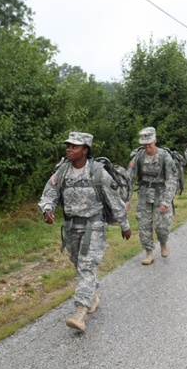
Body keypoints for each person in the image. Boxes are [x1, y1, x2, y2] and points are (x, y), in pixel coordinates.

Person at [39, 131, 131, 332]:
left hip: (94, 226)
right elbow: (49, 193)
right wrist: (47, 210)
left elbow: (115, 201)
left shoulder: (98, 173)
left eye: (75, 146)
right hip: (71, 226)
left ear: (85, 150)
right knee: (78, 264)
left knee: (87, 267)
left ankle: (80, 312)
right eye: (69, 145)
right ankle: (92, 295)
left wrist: (124, 224)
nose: (69, 149)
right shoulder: (62, 171)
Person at [128, 126, 180, 265]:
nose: (147, 147)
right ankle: (149, 253)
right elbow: (130, 179)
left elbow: (172, 180)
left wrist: (166, 202)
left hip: (161, 194)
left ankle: (163, 242)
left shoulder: (164, 157)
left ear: (155, 141)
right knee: (144, 225)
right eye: (144, 145)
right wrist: (126, 199)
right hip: (144, 195)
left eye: (149, 144)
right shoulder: (138, 156)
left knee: (161, 227)